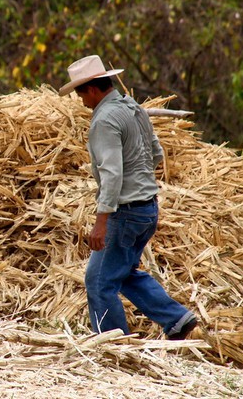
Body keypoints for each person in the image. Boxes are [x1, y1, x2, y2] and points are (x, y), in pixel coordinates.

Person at [59, 55, 197, 340]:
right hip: (148, 209)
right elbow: (156, 153)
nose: (81, 101)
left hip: (125, 213)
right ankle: (176, 318)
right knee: (121, 273)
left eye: (80, 93)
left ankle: (113, 342)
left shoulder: (104, 120)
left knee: (98, 281)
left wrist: (101, 223)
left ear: (93, 89)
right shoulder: (134, 108)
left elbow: (111, 175)